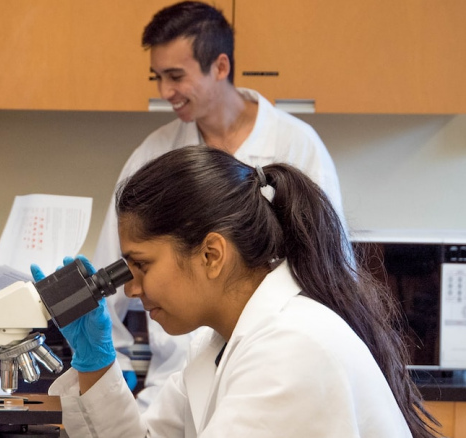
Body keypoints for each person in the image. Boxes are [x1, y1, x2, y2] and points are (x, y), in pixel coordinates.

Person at [38, 145, 437, 437]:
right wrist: (95, 365)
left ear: (211, 255)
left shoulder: (291, 352)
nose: (130, 288)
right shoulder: (216, 347)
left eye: (141, 265)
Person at [91, 0, 346, 409]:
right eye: (158, 77)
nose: (165, 92)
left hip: (267, 367)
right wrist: (109, 360)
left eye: (176, 76)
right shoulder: (154, 153)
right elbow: (117, 266)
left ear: (220, 66)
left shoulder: (297, 146)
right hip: (173, 381)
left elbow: (329, 268)